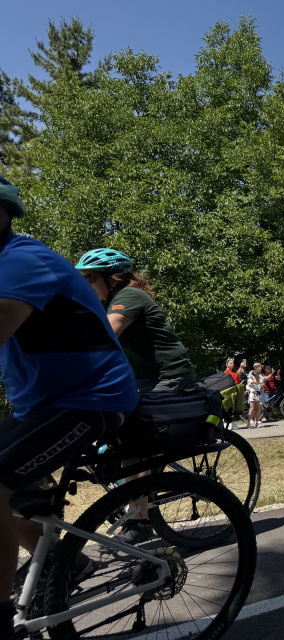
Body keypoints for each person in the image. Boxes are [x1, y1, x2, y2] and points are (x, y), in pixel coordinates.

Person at [0, 176, 139, 637]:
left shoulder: (20, 261)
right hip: (40, 404)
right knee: (19, 499)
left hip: (92, 398)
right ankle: (68, 564)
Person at [75, 248, 195, 392]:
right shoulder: (106, 302)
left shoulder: (130, 294)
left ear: (113, 277)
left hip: (170, 376)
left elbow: (104, 335)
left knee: (135, 412)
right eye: (84, 278)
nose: (87, 284)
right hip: (143, 377)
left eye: (91, 278)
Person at [245, 362, 264, 428]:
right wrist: (253, 377)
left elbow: (262, 382)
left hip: (258, 394)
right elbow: (255, 381)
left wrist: (260, 381)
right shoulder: (250, 380)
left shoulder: (258, 379)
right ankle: (249, 422)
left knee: (258, 408)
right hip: (252, 395)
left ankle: (257, 421)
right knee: (252, 408)